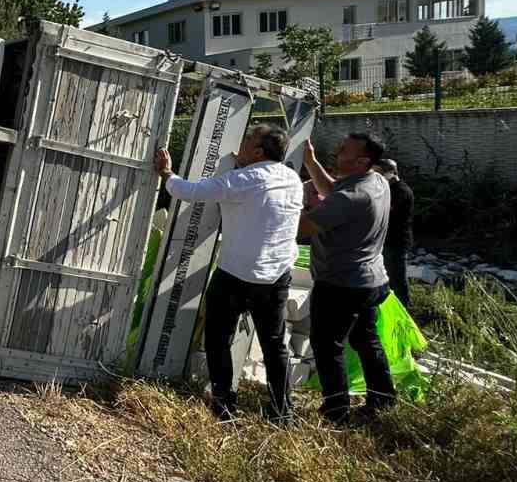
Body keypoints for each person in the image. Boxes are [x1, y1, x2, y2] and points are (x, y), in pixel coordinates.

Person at [153, 124, 303, 423]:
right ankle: (282, 412)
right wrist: (243, 164)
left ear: (259, 151)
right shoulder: (292, 178)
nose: (242, 143)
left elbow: (189, 191)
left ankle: (224, 404)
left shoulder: (242, 179)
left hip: (238, 274)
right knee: (275, 345)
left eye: (248, 140)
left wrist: (167, 174)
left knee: (219, 337)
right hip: (277, 275)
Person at [301, 134, 398, 426]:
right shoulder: (377, 181)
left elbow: (302, 229)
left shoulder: (352, 197)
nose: (337, 151)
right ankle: (383, 400)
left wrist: (286, 199)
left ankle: (336, 412)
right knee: (366, 339)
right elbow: (331, 190)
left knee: (327, 345)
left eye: (344, 150)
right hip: (370, 280)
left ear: (362, 161)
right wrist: (311, 162)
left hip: (341, 285)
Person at [373, 158, 413, 308]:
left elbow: (385, 209)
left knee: (397, 278)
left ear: (391, 173)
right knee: (386, 277)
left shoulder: (401, 190)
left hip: (397, 241)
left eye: (379, 173)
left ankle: (405, 308)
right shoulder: (387, 189)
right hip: (386, 240)